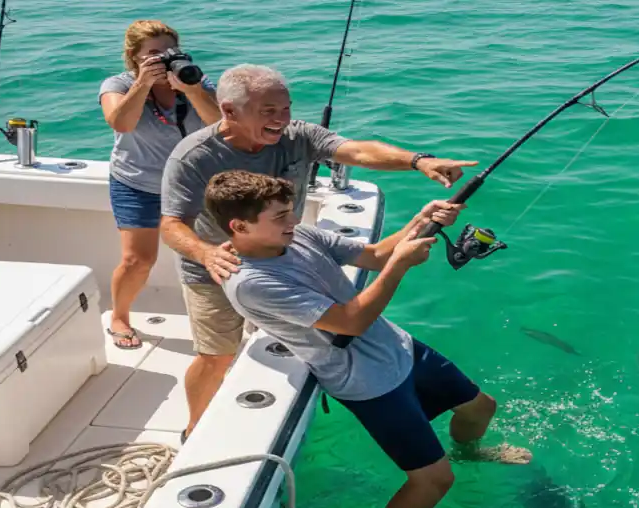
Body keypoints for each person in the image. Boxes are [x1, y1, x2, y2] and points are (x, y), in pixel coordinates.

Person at [203, 169, 532, 508]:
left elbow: (374, 254)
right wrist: (400, 265)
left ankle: (467, 452)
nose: (293, 219)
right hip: (366, 381)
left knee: (480, 405)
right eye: (281, 215)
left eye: (292, 210)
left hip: (398, 347)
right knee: (433, 480)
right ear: (239, 226)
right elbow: (352, 321)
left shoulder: (296, 236)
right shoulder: (252, 282)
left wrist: (422, 218)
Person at [160, 63, 477, 442]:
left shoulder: (297, 135)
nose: (282, 120)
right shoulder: (192, 156)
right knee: (216, 356)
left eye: (286, 108)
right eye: (268, 112)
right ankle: (194, 428)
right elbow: (171, 224)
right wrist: (206, 253)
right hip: (217, 267)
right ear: (229, 111)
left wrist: (419, 161)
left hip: (285, 252)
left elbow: (356, 150)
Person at [99, 19, 221, 349]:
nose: (164, 57)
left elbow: (220, 125)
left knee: (215, 253)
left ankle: (224, 317)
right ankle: (119, 316)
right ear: (134, 57)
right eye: (154, 53)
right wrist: (142, 84)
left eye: (170, 50)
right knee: (138, 261)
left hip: (190, 183)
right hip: (137, 182)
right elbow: (121, 123)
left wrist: (193, 91)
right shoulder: (118, 84)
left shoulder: (192, 79)